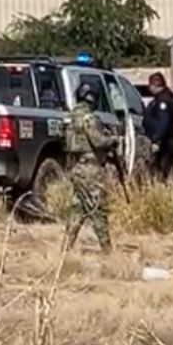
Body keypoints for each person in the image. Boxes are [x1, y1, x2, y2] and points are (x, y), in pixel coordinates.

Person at [63, 82, 118, 253]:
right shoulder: (89, 118)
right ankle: (107, 249)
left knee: (77, 209)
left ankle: (66, 247)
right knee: (97, 208)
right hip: (90, 169)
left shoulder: (69, 117)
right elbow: (98, 141)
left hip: (76, 167)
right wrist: (114, 140)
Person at [144, 72, 173, 181]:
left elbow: (163, 123)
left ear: (153, 85)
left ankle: (163, 190)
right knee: (167, 169)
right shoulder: (170, 97)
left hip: (165, 142)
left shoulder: (163, 101)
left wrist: (156, 140)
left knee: (161, 170)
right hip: (169, 139)